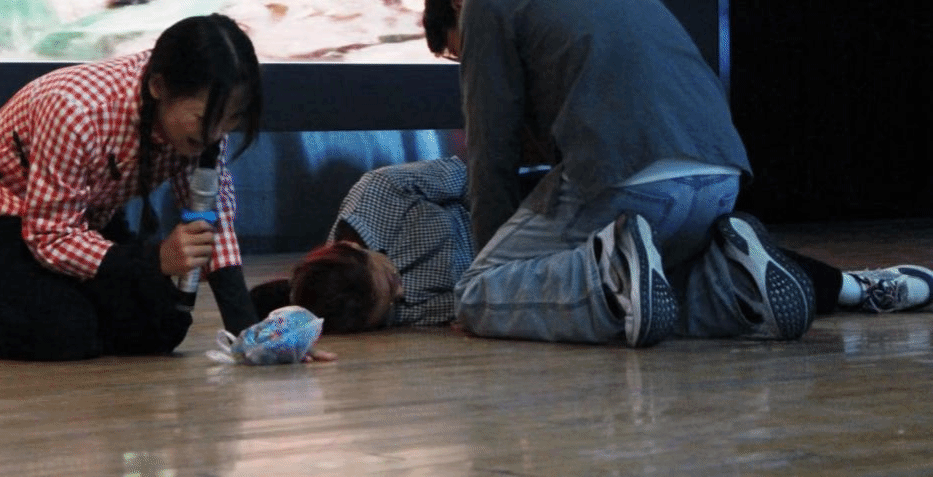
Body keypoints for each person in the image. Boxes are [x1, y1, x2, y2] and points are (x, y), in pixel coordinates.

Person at [421, 0, 813, 348]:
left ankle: (611, 273)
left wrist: (494, 263)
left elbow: (491, 151)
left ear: (457, 5)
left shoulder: (482, 1)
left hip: (626, 177)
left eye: (457, 53)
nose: (464, 63)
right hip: (722, 181)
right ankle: (735, 289)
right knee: (655, 290)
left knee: (476, 292)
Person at [0, 13, 265, 361]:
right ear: (158, 87)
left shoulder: (204, 122)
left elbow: (213, 221)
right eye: (205, 118)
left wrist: (249, 336)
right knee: (66, 331)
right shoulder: (77, 110)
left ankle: (16, 292)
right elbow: (49, 236)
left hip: (78, 218)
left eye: (231, 119)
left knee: (161, 326)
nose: (217, 134)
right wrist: (153, 260)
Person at [253, 157, 933, 333]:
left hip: (534, 214)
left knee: (674, 261)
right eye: (390, 307)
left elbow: (480, 176)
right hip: (550, 268)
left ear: (352, 247)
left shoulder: (380, 193)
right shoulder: (387, 313)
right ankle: (849, 291)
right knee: (684, 285)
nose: (402, 290)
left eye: (388, 278)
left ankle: (858, 283)